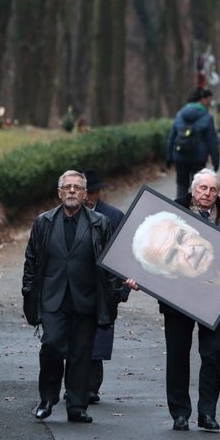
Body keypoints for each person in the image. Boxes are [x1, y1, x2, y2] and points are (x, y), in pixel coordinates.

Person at [147, 169, 220, 432]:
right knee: (177, 355)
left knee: (212, 356)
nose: (207, 194)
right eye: (202, 189)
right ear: (193, 189)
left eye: (212, 190)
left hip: (215, 298)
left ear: (218, 193)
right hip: (178, 297)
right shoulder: (173, 211)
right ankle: (179, 413)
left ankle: (207, 413)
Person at [22, 170, 123, 424]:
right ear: (59, 193)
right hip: (53, 298)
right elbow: (32, 262)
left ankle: (77, 405)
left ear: (85, 193)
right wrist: (29, 295)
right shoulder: (43, 222)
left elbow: (110, 265)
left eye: (77, 188)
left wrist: (111, 300)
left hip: (85, 298)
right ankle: (47, 398)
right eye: (67, 187)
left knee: (81, 353)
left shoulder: (100, 223)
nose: (72, 191)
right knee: (52, 346)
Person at [81, 169, 130, 404]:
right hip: (77, 286)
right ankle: (75, 383)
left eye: (93, 191)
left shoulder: (113, 216)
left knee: (98, 339)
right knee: (75, 338)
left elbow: (124, 255)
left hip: (104, 288)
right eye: (86, 191)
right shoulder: (70, 215)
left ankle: (91, 387)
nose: (90, 196)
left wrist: (123, 290)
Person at [166, 87, 220, 199]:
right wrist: (215, 160)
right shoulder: (207, 117)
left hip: (180, 155)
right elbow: (212, 141)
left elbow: (172, 136)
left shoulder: (180, 114)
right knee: (199, 188)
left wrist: (169, 156)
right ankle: (195, 215)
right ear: (202, 100)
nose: (209, 102)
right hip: (198, 158)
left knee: (181, 185)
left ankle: (179, 211)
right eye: (207, 99)